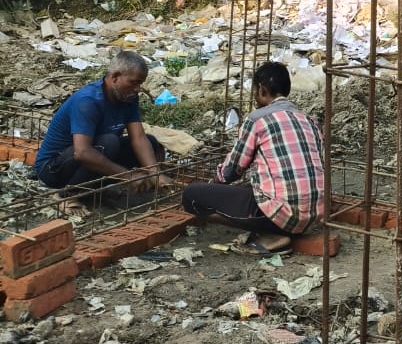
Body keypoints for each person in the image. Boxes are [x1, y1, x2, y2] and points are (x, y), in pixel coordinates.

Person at [182, 61, 324, 253]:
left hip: (282, 214)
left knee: (192, 196)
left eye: (255, 91)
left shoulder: (258, 119)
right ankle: (278, 227)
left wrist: (213, 185)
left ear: (262, 90)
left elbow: (231, 171)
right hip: (313, 215)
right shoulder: (309, 121)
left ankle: (272, 232)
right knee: (255, 188)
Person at [36, 50, 167, 204]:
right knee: (109, 143)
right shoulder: (88, 101)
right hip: (53, 168)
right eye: (134, 82)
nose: (137, 89)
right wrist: (127, 175)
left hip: (93, 154)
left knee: (150, 142)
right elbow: (82, 152)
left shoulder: (128, 98)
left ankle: (93, 189)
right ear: (115, 77)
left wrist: (155, 173)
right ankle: (68, 196)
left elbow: (138, 138)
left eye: (140, 83)